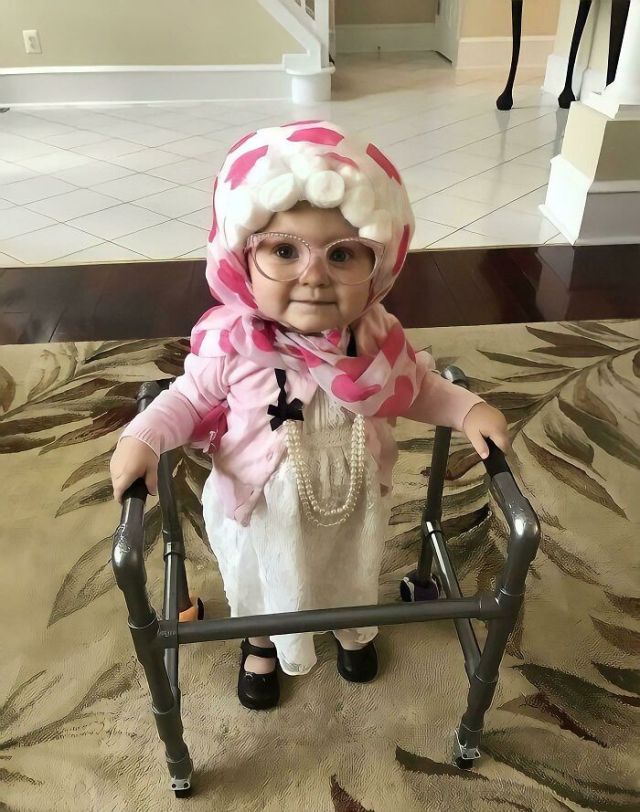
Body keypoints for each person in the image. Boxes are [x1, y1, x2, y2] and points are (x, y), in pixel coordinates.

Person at [110, 121, 510, 711]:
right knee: (260, 581)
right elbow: (189, 399)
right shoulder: (235, 346)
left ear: (379, 266)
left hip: (350, 505)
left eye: (342, 254)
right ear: (242, 259)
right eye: (284, 250)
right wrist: (144, 435)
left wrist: (466, 408)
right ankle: (260, 644)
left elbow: (415, 388)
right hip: (263, 510)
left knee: (349, 571)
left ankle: (352, 630)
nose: (315, 275)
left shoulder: (376, 341)